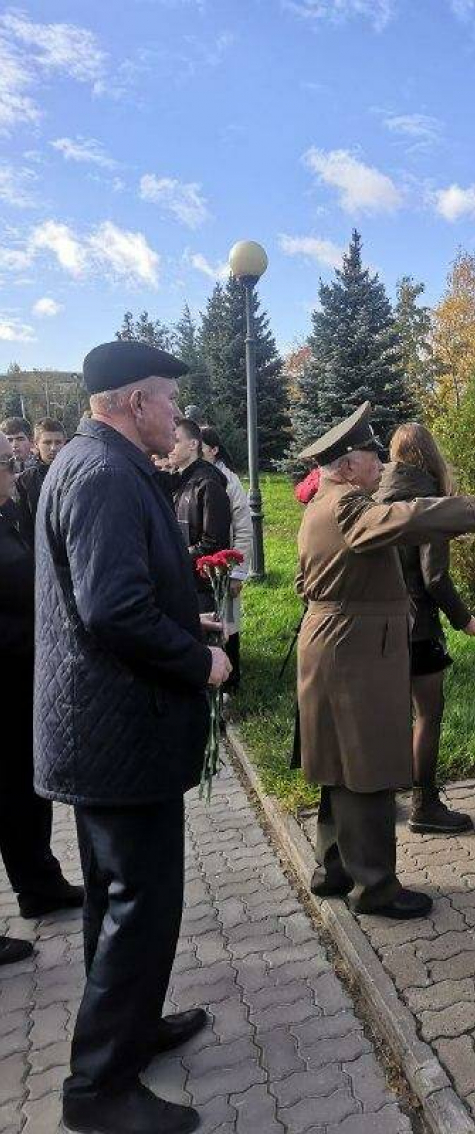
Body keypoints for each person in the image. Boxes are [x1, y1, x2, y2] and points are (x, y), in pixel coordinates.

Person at [34, 340, 232, 1134]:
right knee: (139, 904)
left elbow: (115, 593)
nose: (177, 415)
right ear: (131, 402)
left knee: (116, 902)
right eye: (167, 399)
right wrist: (200, 660)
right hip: (118, 735)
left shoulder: (92, 463)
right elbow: (113, 611)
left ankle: (132, 1028)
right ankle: (98, 1091)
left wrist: (189, 615)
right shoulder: (108, 474)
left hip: (106, 733)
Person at [296, 402, 475, 919]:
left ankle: (334, 869)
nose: (379, 461)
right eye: (371, 454)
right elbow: (409, 516)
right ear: (348, 465)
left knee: (338, 765)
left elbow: (309, 581)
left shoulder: (321, 504)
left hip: (331, 645)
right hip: (352, 653)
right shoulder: (348, 506)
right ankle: (376, 889)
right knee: (366, 769)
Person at [0, 434, 82, 965]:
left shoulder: (7, 518)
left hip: (18, 680)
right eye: (6, 464)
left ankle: (40, 884)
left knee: (22, 793)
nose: (15, 469)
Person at [376, 423, 475, 834]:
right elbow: (434, 577)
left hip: (380, 625)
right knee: (428, 715)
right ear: (430, 456)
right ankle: (426, 805)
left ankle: (380, 800)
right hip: (418, 628)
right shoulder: (428, 505)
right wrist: (465, 619)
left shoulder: (376, 498)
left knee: (388, 715)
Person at [201, 426, 251, 689]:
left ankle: (232, 680)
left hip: (225, 565)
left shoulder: (229, 480)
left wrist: (237, 571)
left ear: (214, 450)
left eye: (202, 447)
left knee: (229, 622)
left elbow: (243, 527)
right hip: (204, 569)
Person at [169, 418, 232, 615]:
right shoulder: (179, 480)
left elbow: (214, 542)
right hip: (181, 582)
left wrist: (173, 557)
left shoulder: (208, 483)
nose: (170, 446)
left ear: (193, 444)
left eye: (176, 440)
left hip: (202, 588)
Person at [15, 416, 66, 545]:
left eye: (58, 442)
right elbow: (24, 525)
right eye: (47, 442)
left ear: (64, 443)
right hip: (40, 550)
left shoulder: (77, 475)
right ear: (36, 444)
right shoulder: (25, 480)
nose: (53, 448)